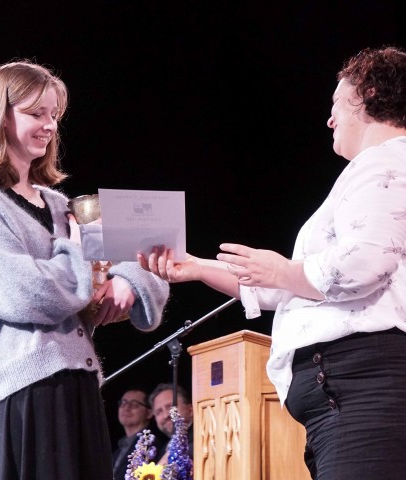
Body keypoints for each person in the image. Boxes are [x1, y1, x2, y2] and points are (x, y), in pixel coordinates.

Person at [138, 45, 406, 480]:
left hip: (364, 391)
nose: (330, 119)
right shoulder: (367, 173)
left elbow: (363, 263)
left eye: (337, 104)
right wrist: (198, 267)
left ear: (370, 95)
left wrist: (282, 269)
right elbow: (292, 287)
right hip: (344, 401)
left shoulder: (385, 163)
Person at [0, 59, 170, 479]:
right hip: (30, 393)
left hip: (80, 386)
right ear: (0, 115)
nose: (49, 125)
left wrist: (127, 279)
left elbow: (149, 255)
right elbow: (24, 293)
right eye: (36, 114)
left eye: (54, 116)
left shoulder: (59, 204)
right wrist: (74, 251)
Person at [112, 386, 167, 480]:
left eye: (134, 404)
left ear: (149, 413)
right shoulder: (117, 451)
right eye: (123, 402)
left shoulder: (151, 446)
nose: (126, 408)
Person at [149, 382, 194, 465]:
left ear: (190, 409)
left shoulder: (201, 436)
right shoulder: (161, 450)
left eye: (170, 407)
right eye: (159, 412)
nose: (166, 415)